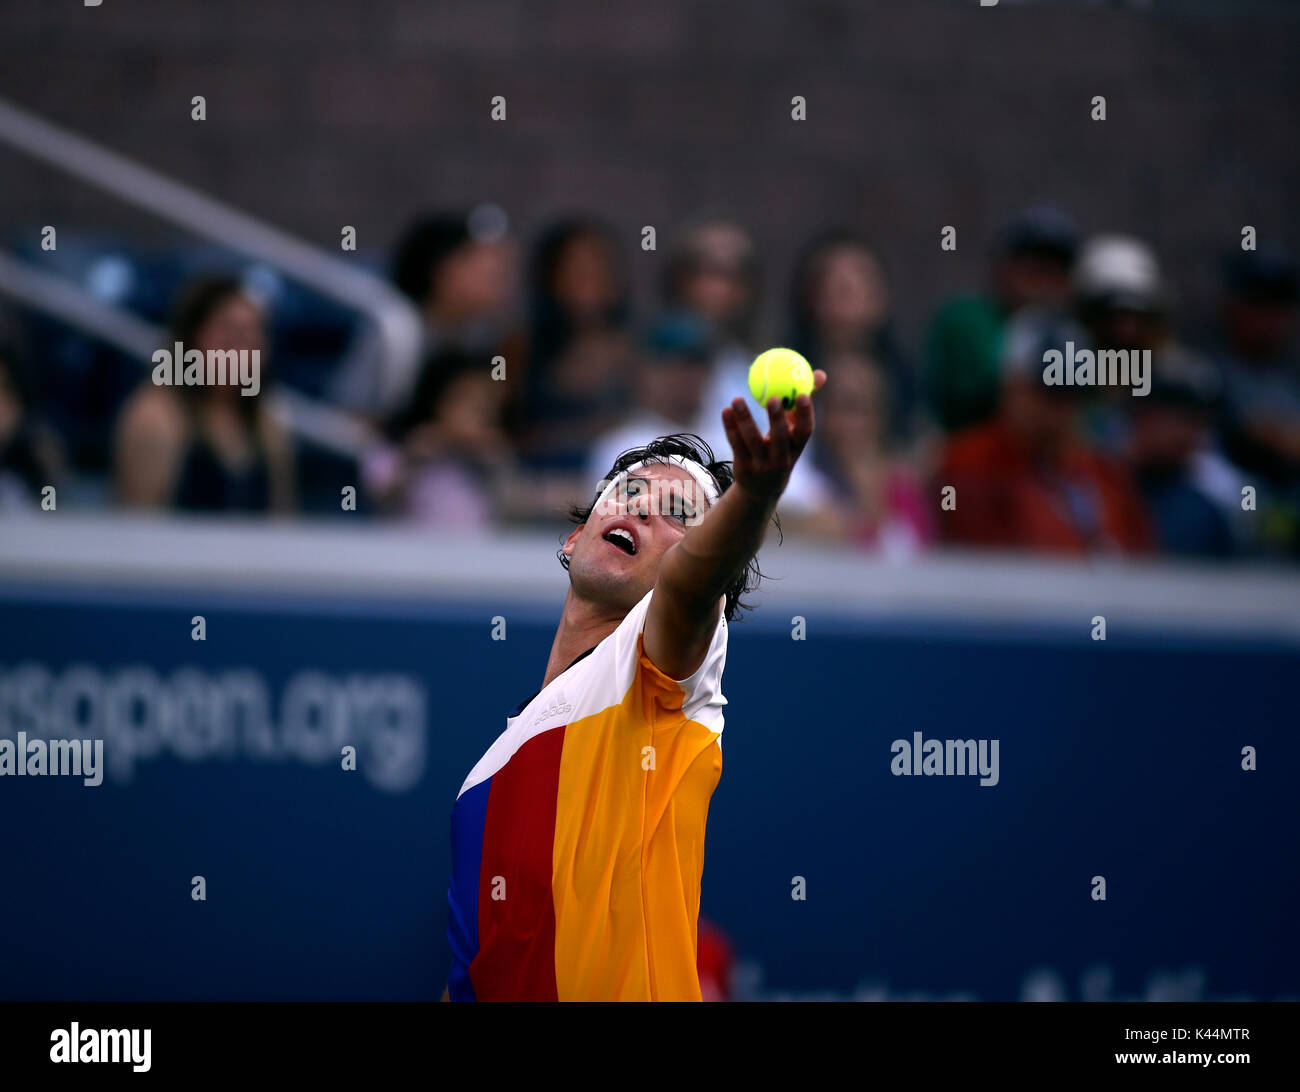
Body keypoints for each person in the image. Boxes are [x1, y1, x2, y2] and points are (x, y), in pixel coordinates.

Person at [445, 369, 827, 1002]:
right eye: (630, 492)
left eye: (683, 516)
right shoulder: (482, 776)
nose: (646, 509)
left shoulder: (662, 674)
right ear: (574, 537)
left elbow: (687, 589)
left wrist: (756, 497)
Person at [936, 310, 1152, 555]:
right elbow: (969, 552)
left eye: (1072, 393)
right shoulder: (965, 464)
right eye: (1051, 391)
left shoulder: (1103, 473)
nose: (1062, 409)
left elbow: (1141, 556)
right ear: (1013, 386)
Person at [114, 276, 295, 513]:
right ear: (191, 340)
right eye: (229, 335)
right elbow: (137, 529)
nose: (241, 350)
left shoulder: (268, 420)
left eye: (251, 336)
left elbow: (282, 524)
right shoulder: (156, 416)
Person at [926, 204, 1080, 434]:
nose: (1043, 279)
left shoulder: (1073, 331)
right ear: (1004, 267)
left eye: (1055, 268)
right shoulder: (968, 319)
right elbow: (980, 390)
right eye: (1033, 264)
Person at [516, 218, 634, 473]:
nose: (589, 282)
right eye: (576, 270)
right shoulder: (518, 350)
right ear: (550, 277)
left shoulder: (636, 351)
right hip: (534, 486)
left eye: (598, 269)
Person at [1205, 243, 1300, 556]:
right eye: (1259, 304)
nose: (1269, 319)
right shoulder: (1208, 367)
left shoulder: (1289, 374)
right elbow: (1255, 432)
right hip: (1231, 515)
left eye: (1279, 306)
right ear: (1233, 305)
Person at [788, 231, 920, 449]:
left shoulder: (909, 381)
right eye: (835, 283)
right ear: (810, 297)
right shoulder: (781, 377)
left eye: (862, 280)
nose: (848, 291)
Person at [364, 350, 513, 528]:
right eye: (467, 401)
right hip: (408, 548)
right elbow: (380, 500)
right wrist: (414, 460)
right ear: (436, 397)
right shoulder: (399, 447)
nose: (476, 416)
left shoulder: (490, 457)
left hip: (475, 551)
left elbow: (512, 508)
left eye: (485, 406)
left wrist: (497, 465)